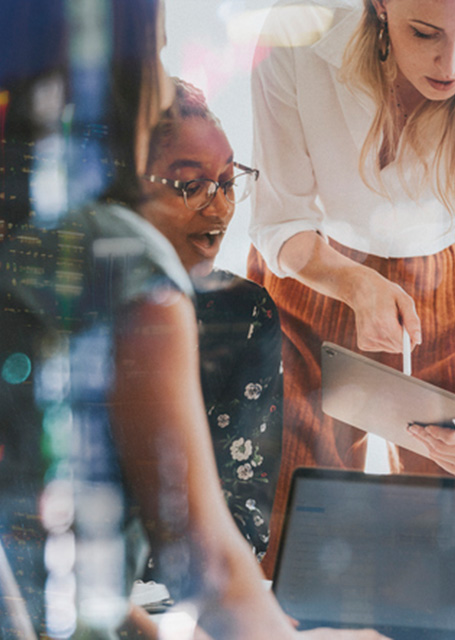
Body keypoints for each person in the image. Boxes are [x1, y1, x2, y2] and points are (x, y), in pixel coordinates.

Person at [0, 1, 385, 638]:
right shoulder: (121, 263)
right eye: (156, 52)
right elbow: (210, 566)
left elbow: (24, 542)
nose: (164, 86)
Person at [249, 0, 455, 573]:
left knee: (448, 547)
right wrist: (353, 282)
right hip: (310, 274)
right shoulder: (298, 31)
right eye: (424, 32)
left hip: (452, 292)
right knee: (288, 535)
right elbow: (278, 221)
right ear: (379, 6)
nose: (451, 61)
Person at [138, 77, 282, 563]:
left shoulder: (244, 313)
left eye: (226, 182)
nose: (219, 208)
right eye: (191, 185)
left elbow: (245, 517)